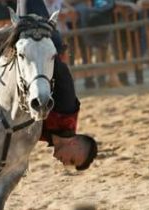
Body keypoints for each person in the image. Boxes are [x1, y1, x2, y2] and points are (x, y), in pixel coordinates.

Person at [23, 0, 98, 170]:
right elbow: (62, 72)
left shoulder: (47, 135)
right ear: (77, 145)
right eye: (72, 160)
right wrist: (43, 54)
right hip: (43, 39)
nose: (65, 164)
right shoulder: (66, 111)